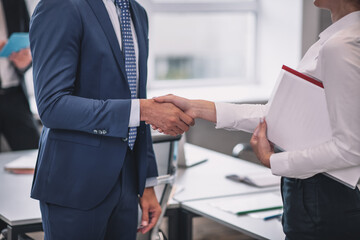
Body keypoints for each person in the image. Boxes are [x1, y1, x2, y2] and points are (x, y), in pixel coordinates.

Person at [154, 0, 360, 239]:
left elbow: (351, 147)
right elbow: (282, 117)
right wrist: (197, 108)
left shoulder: (341, 46)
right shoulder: (340, 39)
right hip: (326, 192)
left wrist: (274, 161)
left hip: (322, 194)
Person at [29, 0, 194, 239]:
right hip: (76, 181)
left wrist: (147, 182)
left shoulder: (137, 12)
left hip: (128, 181)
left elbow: (138, 97)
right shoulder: (61, 5)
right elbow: (53, 106)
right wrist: (142, 110)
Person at [0, 0, 39, 151]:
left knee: (34, 153)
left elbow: (30, 41)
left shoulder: (14, 2)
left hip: (14, 94)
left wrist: (25, 62)